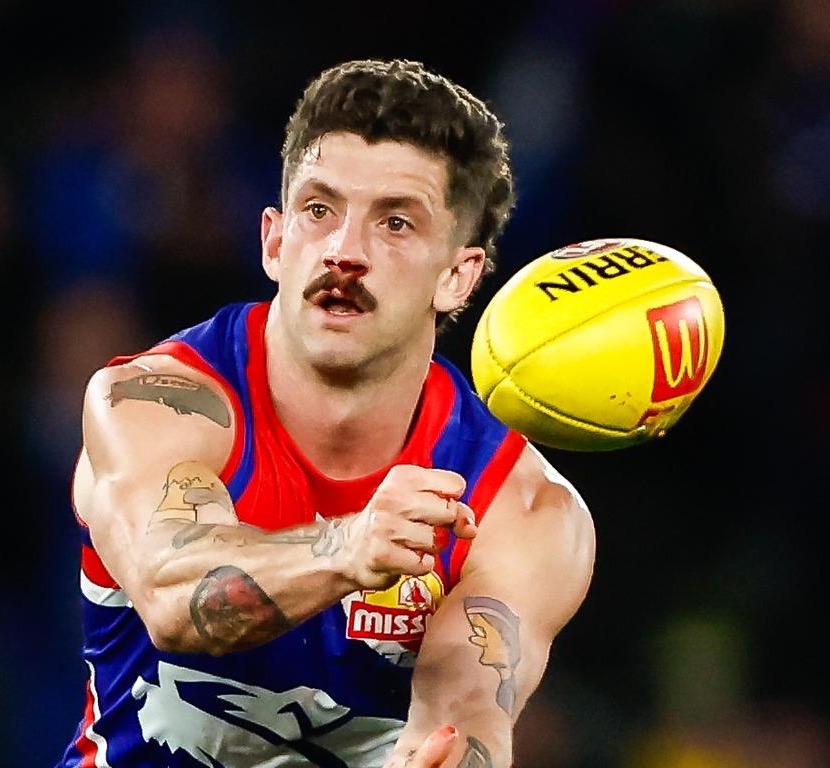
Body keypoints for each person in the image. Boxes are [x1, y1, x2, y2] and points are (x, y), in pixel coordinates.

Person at [56, 58, 595, 768]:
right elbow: (173, 597)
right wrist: (348, 548)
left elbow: (467, 715)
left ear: (457, 275)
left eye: (395, 223)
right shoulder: (154, 402)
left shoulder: (517, 507)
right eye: (319, 210)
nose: (344, 252)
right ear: (275, 241)